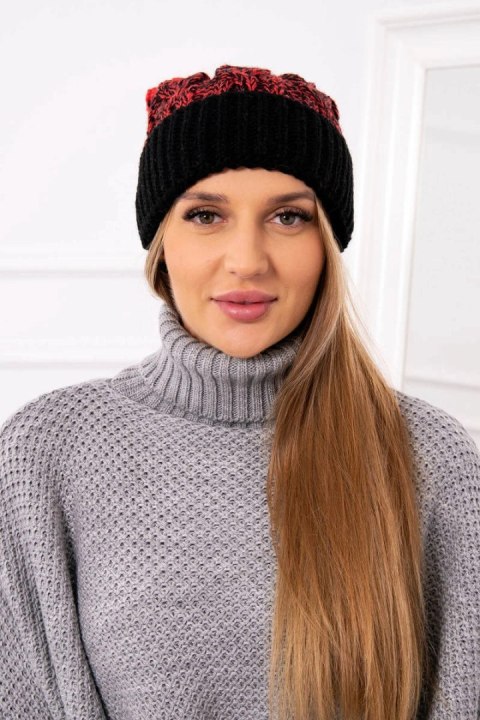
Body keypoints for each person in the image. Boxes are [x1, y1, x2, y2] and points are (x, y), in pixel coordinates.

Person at [0, 64, 478, 720]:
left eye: (288, 216)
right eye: (205, 215)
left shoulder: (428, 454)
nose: (248, 259)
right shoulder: (49, 450)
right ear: (161, 243)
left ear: (328, 245)